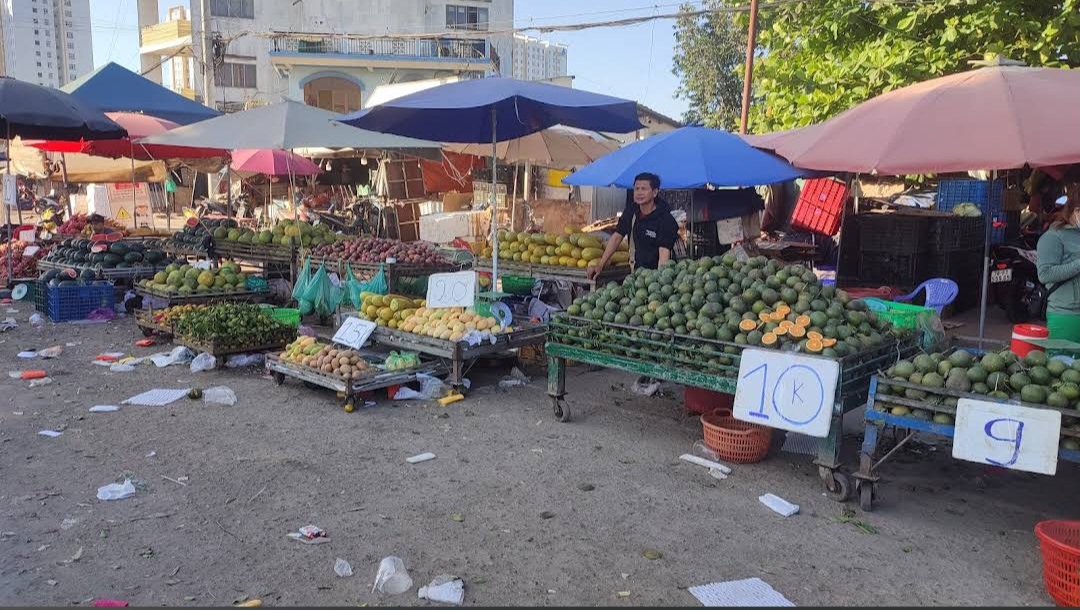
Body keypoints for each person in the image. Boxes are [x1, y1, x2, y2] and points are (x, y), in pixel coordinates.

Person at [588, 172, 679, 396]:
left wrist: (658, 286)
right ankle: (647, 367)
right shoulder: (632, 211)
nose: (639, 192)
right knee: (639, 321)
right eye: (636, 188)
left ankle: (659, 369)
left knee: (657, 323)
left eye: (644, 189)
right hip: (639, 274)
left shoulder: (666, 220)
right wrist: (600, 265)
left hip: (661, 276)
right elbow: (618, 236)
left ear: (655, 192)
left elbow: (664, 256)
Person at [1036, 183, 1080, 342]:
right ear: (1076, 211)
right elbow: (1045, 274)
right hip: (1066, 314)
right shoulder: (1053, 237)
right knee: (1063, 364)